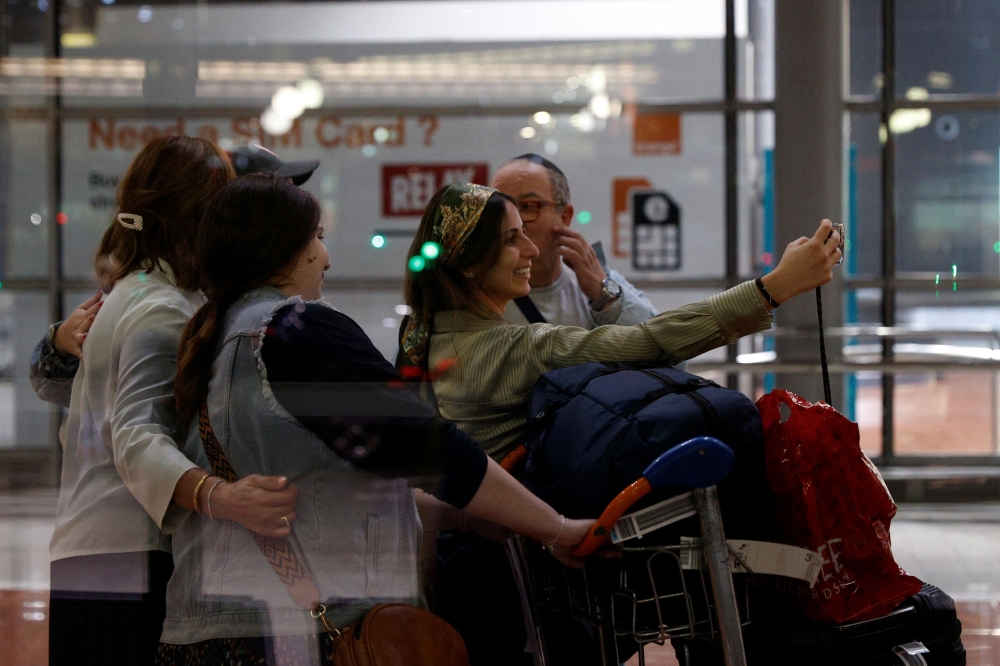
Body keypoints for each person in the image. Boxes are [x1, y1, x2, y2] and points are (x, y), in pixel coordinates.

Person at [157, 173, 592, 664]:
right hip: (304, 639)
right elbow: (429, 448)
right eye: (318, 239)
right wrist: (557, 529)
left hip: (204, 633)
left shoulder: (210, 341)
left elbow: (319, 478)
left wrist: (465, 514)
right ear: (284, 250)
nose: (327, 257)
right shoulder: (295, 332)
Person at [42, 136, 299, 666]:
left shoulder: (131, 293)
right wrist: (221, 497)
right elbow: (134, 437)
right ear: (200, 220)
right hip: (129, 556)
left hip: (91, 552)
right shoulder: (161, 310)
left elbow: (73, 394)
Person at [401, 182, 840, 461]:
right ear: (470, 262)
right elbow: (650, 342)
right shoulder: (520, 347)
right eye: (512, 239)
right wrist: (772, 288)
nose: (532, 251)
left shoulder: (426, 335)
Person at [491, 153, 657, 327]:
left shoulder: (594, 277)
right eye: (500, 207)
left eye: (528, 206)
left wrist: (603, 295)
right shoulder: (477, 288)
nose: (512, 219)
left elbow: (660, 339)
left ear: (564, 216)